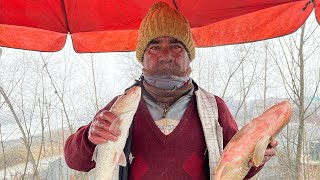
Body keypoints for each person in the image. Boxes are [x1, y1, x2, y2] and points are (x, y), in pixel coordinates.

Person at [64, 2, 277, 180]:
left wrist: (257, 154)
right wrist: (90, 137)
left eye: (176, 45)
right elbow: (75, 160)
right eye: (154, 46)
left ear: (189, 56)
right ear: (142, 58)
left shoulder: (214, 108)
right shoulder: (121, 108)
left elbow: (237, 167)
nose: (165, 55)